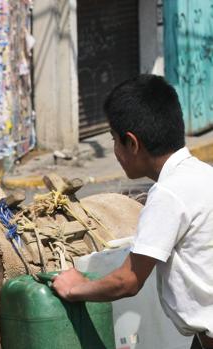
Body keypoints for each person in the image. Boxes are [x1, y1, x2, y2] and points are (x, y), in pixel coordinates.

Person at [51, 74, 213, 349]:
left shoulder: (167, 194)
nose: (114, 150)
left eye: (114, 139)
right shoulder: (203, 174)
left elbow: (128, 281)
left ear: (132, 143)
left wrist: (74, 287)